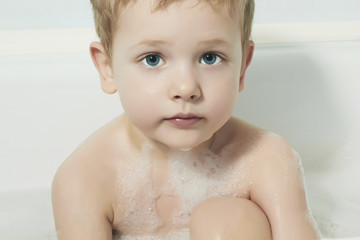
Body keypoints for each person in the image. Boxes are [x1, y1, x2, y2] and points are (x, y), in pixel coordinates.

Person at [52, 0, 320, 239]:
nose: (186, 87)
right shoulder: (85, 180)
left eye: (209, 58)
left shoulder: (266, 160)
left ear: (242, 67)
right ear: (107, 68)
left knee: (224, 219)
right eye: (153, 59)